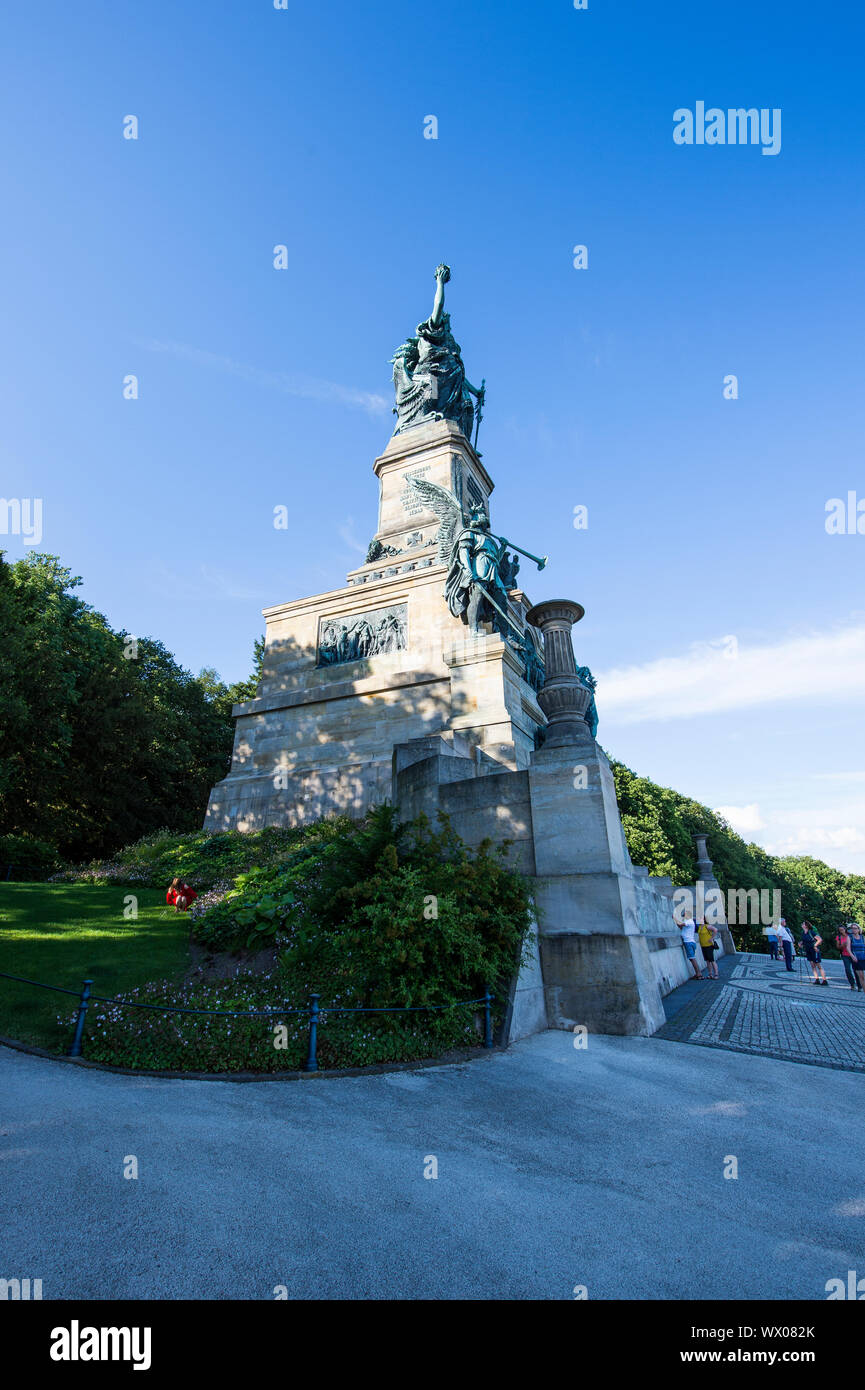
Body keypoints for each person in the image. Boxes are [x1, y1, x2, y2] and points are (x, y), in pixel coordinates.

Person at [835, 924, 860, 991]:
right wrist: (843, 945)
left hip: (853, 954)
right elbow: (838, 947)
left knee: (856, 970)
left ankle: (859, 985)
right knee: (848, 970)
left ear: (845, 929)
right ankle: (852, 984)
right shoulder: (839, 937)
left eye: (842, 929)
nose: (841, 931)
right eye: (840, 930)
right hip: (845, 954)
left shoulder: (850, 935)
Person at [678, 912, 703, 980]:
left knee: (692, 959)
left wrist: (675, 918)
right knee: (692, 958)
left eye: (684, 915)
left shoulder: (689, 921)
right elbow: (681, 927)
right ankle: (698, 973)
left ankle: (698, 974)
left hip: (688, 942)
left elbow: (680, 924)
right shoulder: (688, 921)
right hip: (691, 942)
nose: (683, 917)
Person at [848, 923, 865, 993]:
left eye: (855, 928)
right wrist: (852, 956)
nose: (854, 930)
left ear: (858, 929)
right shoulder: (850, 937)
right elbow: (848, 948)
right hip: (856, 958)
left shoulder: (862, 937)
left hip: (863, 957)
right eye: (852, 928)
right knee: (861, 976)